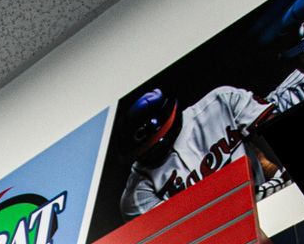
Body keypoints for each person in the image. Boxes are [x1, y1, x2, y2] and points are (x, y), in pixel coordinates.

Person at [117, 84, 274, 219]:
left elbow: (281, 137)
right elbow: (182, 236)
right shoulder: (136, 194)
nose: (150, 153)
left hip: (271, 202)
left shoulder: (221, 101)